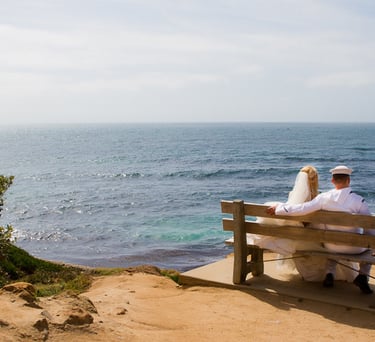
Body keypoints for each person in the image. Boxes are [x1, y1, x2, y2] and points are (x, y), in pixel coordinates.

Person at [267, 165, 374, 294]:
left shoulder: (324, 198)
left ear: (333, 181)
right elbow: (370, 228)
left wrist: (278, 209)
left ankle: (330, 274)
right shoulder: (359, 201)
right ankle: (362, 276)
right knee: (369, 243)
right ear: (348, 180)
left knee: (331, 244)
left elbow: (301, 209)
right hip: (355, 249)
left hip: (331, 246)